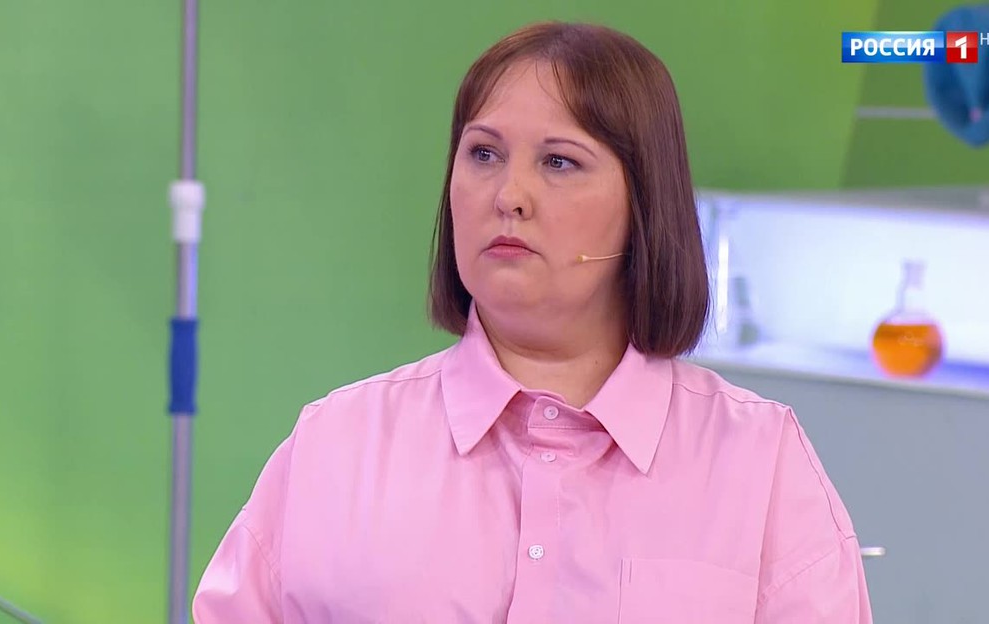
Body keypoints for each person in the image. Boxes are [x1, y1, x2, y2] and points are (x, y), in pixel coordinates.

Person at [192, 21, 873, 623]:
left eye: (559, 162)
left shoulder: (759, 463)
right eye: (483, 154)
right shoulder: (337, 445)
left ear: (645, 204)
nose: (509, 195)